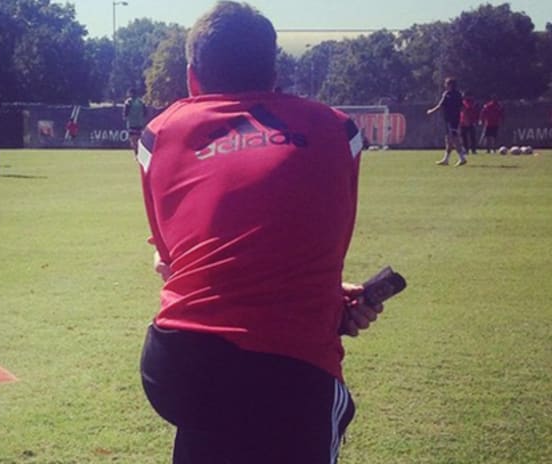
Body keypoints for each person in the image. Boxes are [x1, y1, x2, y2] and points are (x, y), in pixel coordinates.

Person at [136, 2, 385, 463]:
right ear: (274, 72)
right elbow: (313, 237)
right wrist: (321, 298)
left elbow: (171, 263)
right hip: (289, 370)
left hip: (180, 364)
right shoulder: (338, 130)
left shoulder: (158, 133)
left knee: (211, 427)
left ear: (193, 78)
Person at [427, 77, 467, 166]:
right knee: (448, 140)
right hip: (450, 120)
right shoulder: (457, 94)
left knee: (453, 139)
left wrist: (431, 111)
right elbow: (463, 107)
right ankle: (446, 159)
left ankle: (462, 157)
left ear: (450, 85)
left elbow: (440, 105)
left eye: (446, 84)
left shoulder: (449, 94)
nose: (445, 85)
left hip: (452, 120)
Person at [123, 88, 147, 154]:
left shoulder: (128, 102)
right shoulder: (141, 102)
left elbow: (125, 114)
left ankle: (137, 154)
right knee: (139, 140)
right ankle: (139, 153)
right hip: (140, 124)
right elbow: (145, 113)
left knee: (133, 141)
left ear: (130, 93)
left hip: (131, 124)